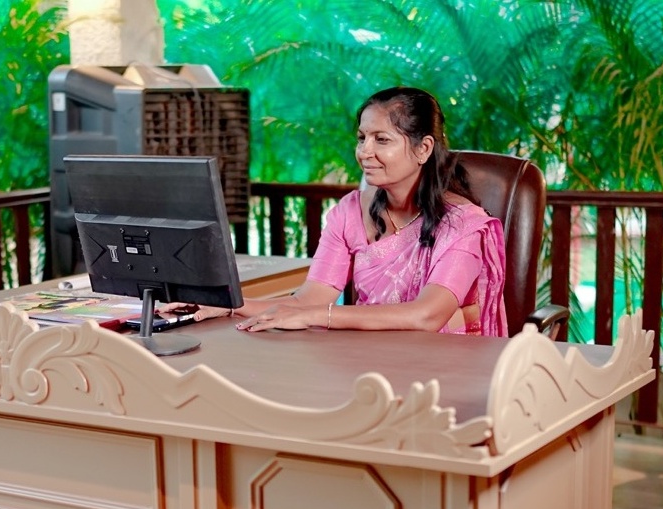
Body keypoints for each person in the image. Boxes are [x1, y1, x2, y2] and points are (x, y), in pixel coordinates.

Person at [161, 86, 508, 336]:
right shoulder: (349, 212)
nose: (364, 152)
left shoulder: (463, 224)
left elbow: (427, 317)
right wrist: (226, 305)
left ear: (423, 148)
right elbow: (311, 297)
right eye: (361, 138)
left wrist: (318, 317)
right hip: (369, 353)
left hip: (445, 366)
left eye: (382, 140)